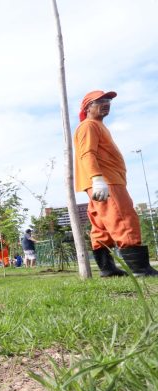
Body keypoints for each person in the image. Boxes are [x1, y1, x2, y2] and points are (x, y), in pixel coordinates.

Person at [74, 90, 158, 277]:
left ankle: (108, 269)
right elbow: (87, 154)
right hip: (106, 180)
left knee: (101, 226)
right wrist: (97, 178)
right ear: (87, 107)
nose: (106, 103)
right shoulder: (88, 125)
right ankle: (140, 269)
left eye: (108, 101)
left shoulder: (96, 125)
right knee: (123, 218)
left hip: (105, 180)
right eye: (100, 101)